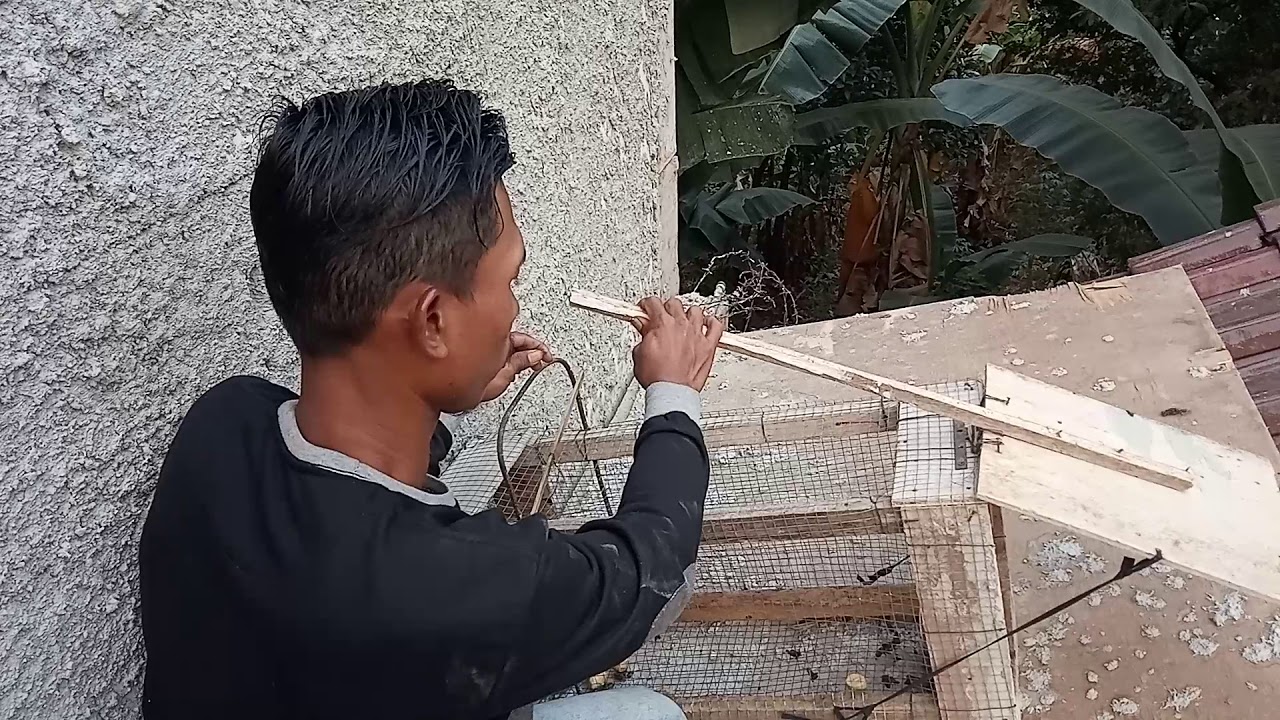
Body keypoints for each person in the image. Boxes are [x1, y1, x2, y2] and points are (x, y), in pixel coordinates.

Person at [138, 79, 723, 720]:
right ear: (433, 322)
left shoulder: (223, 424)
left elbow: (353, 489)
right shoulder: (455, 591)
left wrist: (439, 397)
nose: (514, 307)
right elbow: (647, 572)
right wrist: (673, 392)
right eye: (511, 279)